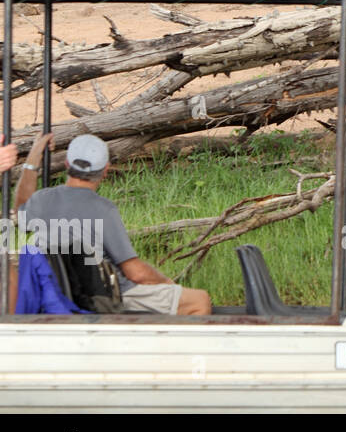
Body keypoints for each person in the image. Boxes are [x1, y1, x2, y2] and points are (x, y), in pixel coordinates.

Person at [16, 133, 211, 316]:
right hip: (105, 294)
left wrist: (33, 160)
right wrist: (167, 283)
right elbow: (136, 273)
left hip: (60, 294)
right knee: (199, 301)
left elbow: (20, 207)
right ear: (106, 170)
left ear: (67, 164)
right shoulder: (103, 209)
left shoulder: (41, 201)